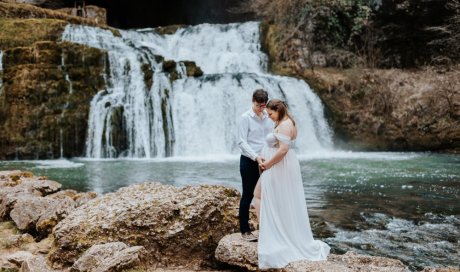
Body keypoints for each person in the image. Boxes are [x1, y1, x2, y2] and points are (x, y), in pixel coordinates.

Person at [254, 99, 330, 269]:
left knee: (259, 195)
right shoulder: (283, 122)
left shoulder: (286, 124)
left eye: (270, 113)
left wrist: (268, 164)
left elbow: (283, 150)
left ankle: (269, 233)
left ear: (278, 110)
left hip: (279, 166)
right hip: (280, 166)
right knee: (265, 196)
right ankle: (269, 231)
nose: (269, 116)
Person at [237, 89, 273, 242]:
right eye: (258, 105)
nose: (261, 109)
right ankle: (245, 230)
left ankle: (267, 229)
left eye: (263, 106)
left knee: (268, 194)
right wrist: (256, 157)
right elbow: (241, 142)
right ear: (253, 101)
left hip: (267, 161)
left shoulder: (268, 117)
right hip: (249, 161)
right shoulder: (245, 118)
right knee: (248, 195)